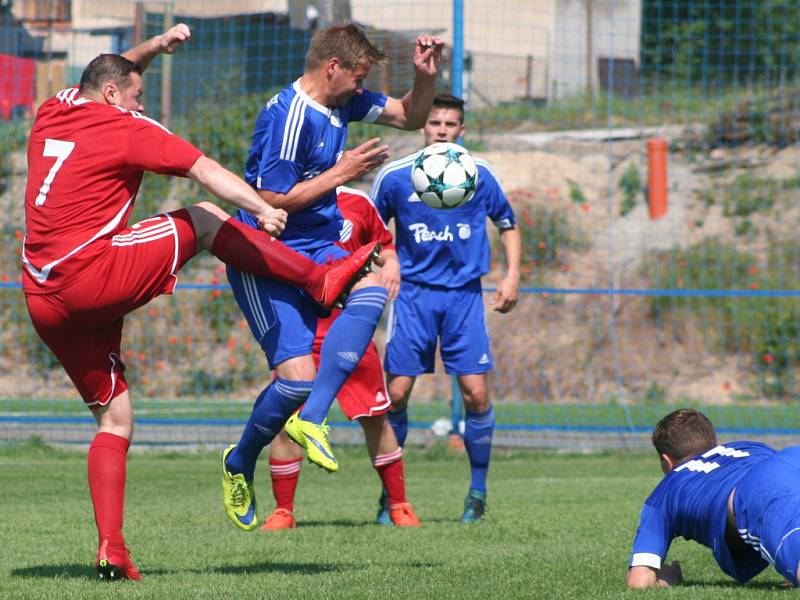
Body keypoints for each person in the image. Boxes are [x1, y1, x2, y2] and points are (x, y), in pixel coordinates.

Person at [22, 24, 377, 582]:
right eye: (137, 94)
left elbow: (110, 69)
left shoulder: (54, 107)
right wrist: (258, 208)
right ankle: (316, 280)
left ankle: (112, 552)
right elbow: (205, 172)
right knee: (208, 218)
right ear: (116, 96)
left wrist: (151, 50)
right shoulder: (126, 125)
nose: (142, 101)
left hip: (42, 297)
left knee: (114, 418)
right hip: (91, 275)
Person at [222, 23, 444, 530]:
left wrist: (424, 76)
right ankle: (241, 459)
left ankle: (313, 419)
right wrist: (341, 174)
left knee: (372, 286)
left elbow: (410, 115)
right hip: (268, 252)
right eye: (359, 76)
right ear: (332, 68)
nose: (363, 87)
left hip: (319, 245)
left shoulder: (342, 101)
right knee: (295, 380)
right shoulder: (287, 119)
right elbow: (270, 201)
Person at [369, 93, 521, 523]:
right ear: (423, 127)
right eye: (434, 123)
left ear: (461, 131)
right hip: (412, 296)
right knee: (396, 394)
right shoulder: (396, 176)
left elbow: (507, 224)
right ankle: (392, 498)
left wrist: (511, 276)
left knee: (476, 395)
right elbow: (370, 230)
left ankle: (477, 493)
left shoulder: (478, 173)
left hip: (463, 297)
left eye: (450, 125)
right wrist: (386, 263)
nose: (441, 131)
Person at [261, 186, 419, 531]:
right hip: (302, 331)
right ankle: (283, 511)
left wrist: (391, 263)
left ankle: (399, 505)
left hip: (351, 329)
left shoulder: (357, 201)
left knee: (375, 416)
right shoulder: (280, 199)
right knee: (288, 419)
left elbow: (385, 244)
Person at [627, 408, 800, 589]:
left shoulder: (664, 493)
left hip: (759, 486)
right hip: (790, 456)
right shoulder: (748, 445)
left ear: (667, 461)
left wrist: (668, 578)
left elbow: (639, 582)